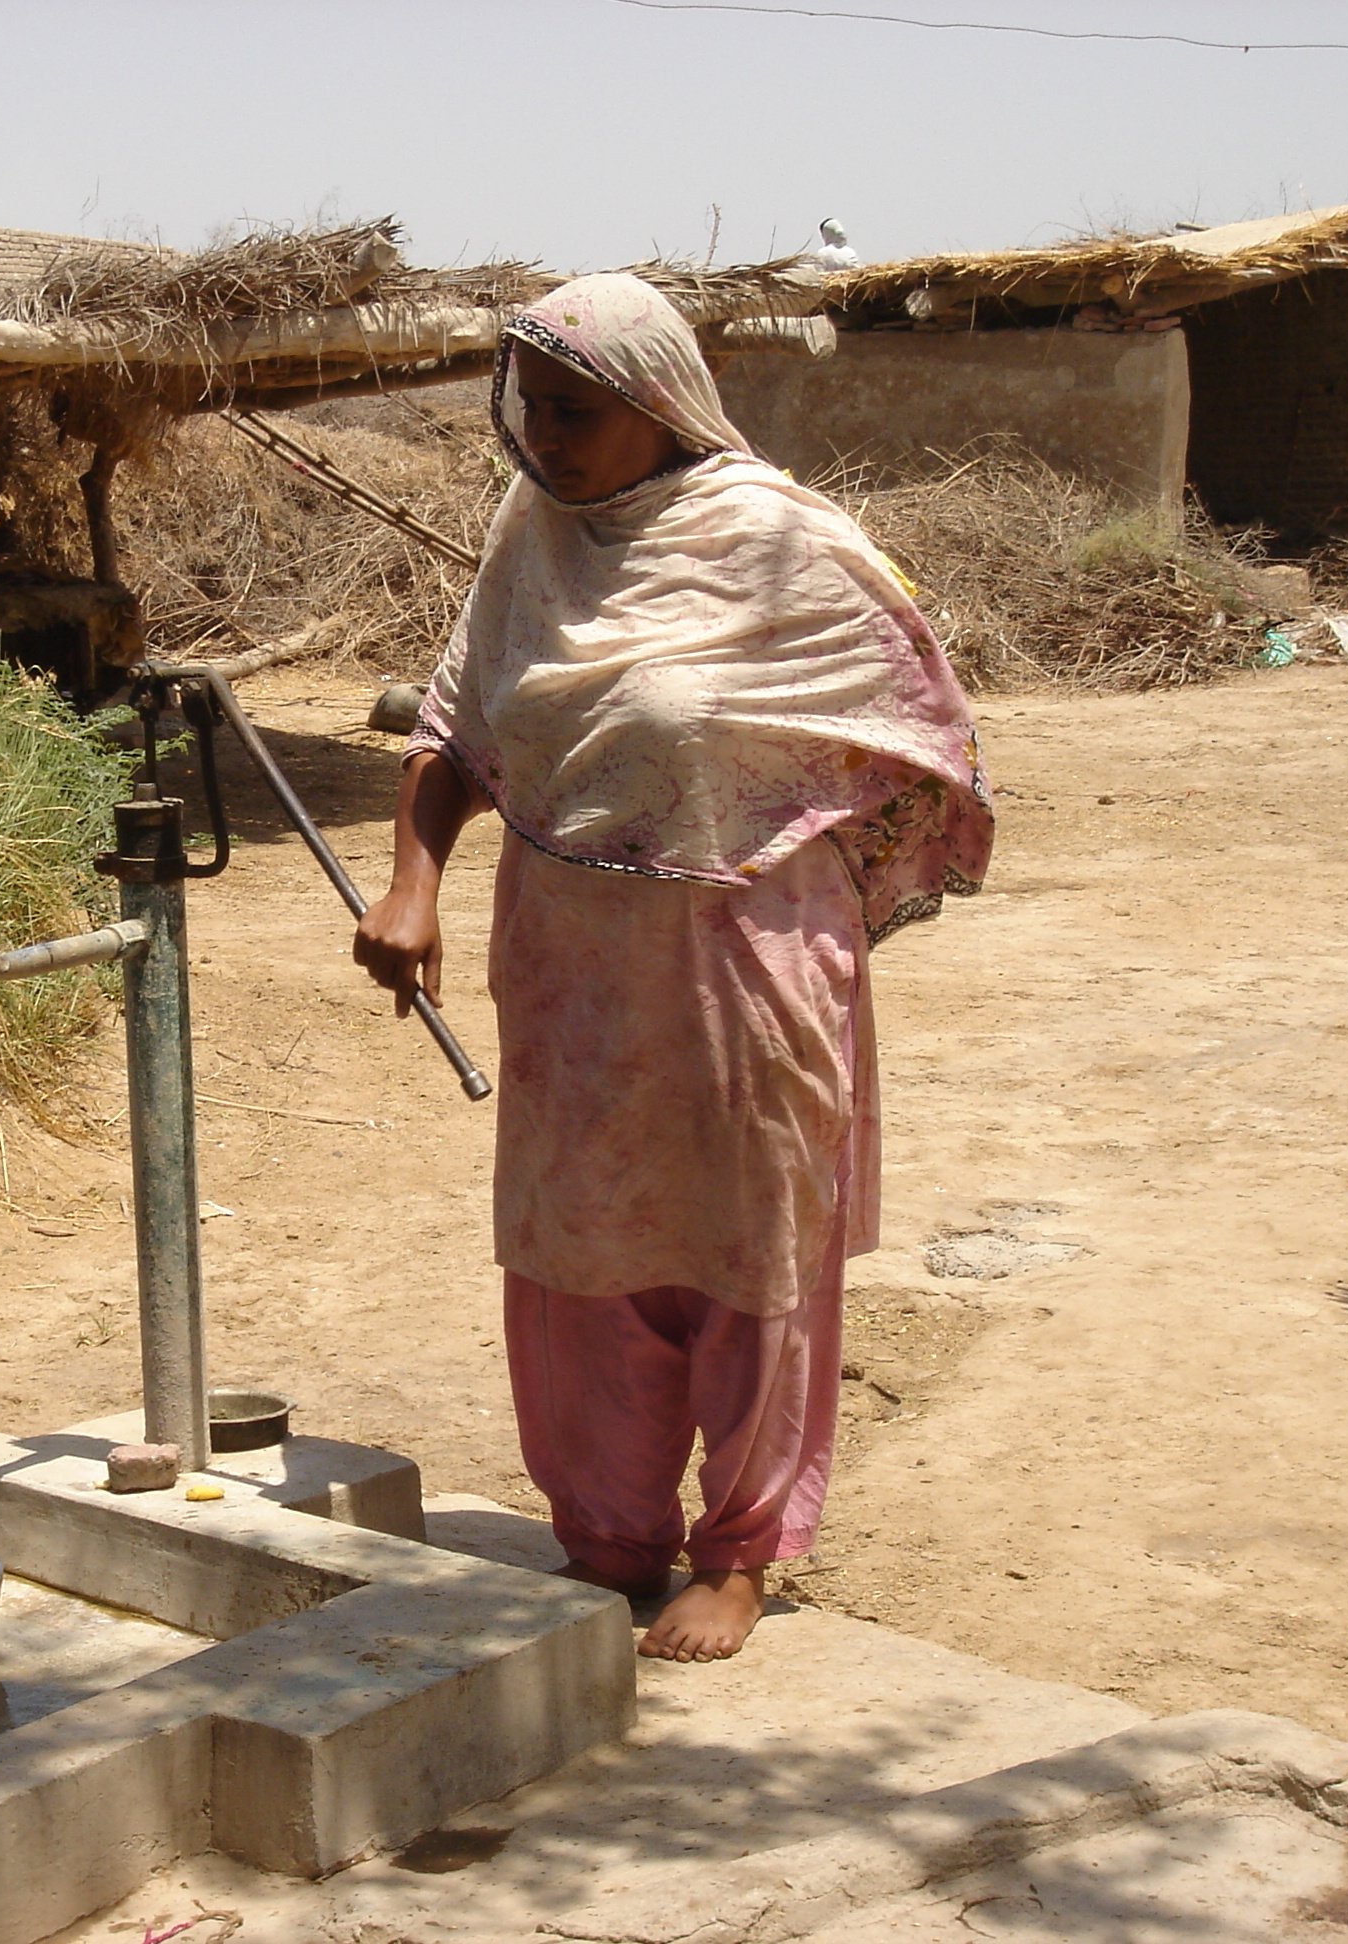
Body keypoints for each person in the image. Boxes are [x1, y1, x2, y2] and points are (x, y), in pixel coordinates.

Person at [353, 273, 993, 1662]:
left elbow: (923, 731)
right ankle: (608, 1534)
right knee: (579, 1249)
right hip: (570, 961)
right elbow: (463, 722)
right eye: (532, 411)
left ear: (658, 406)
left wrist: (808, 864)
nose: (548, 442)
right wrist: (415, 881)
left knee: (744, 1245)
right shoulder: (535, 537)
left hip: (740, 960)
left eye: (578, 414)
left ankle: (743, 1552)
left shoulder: (782, 544)